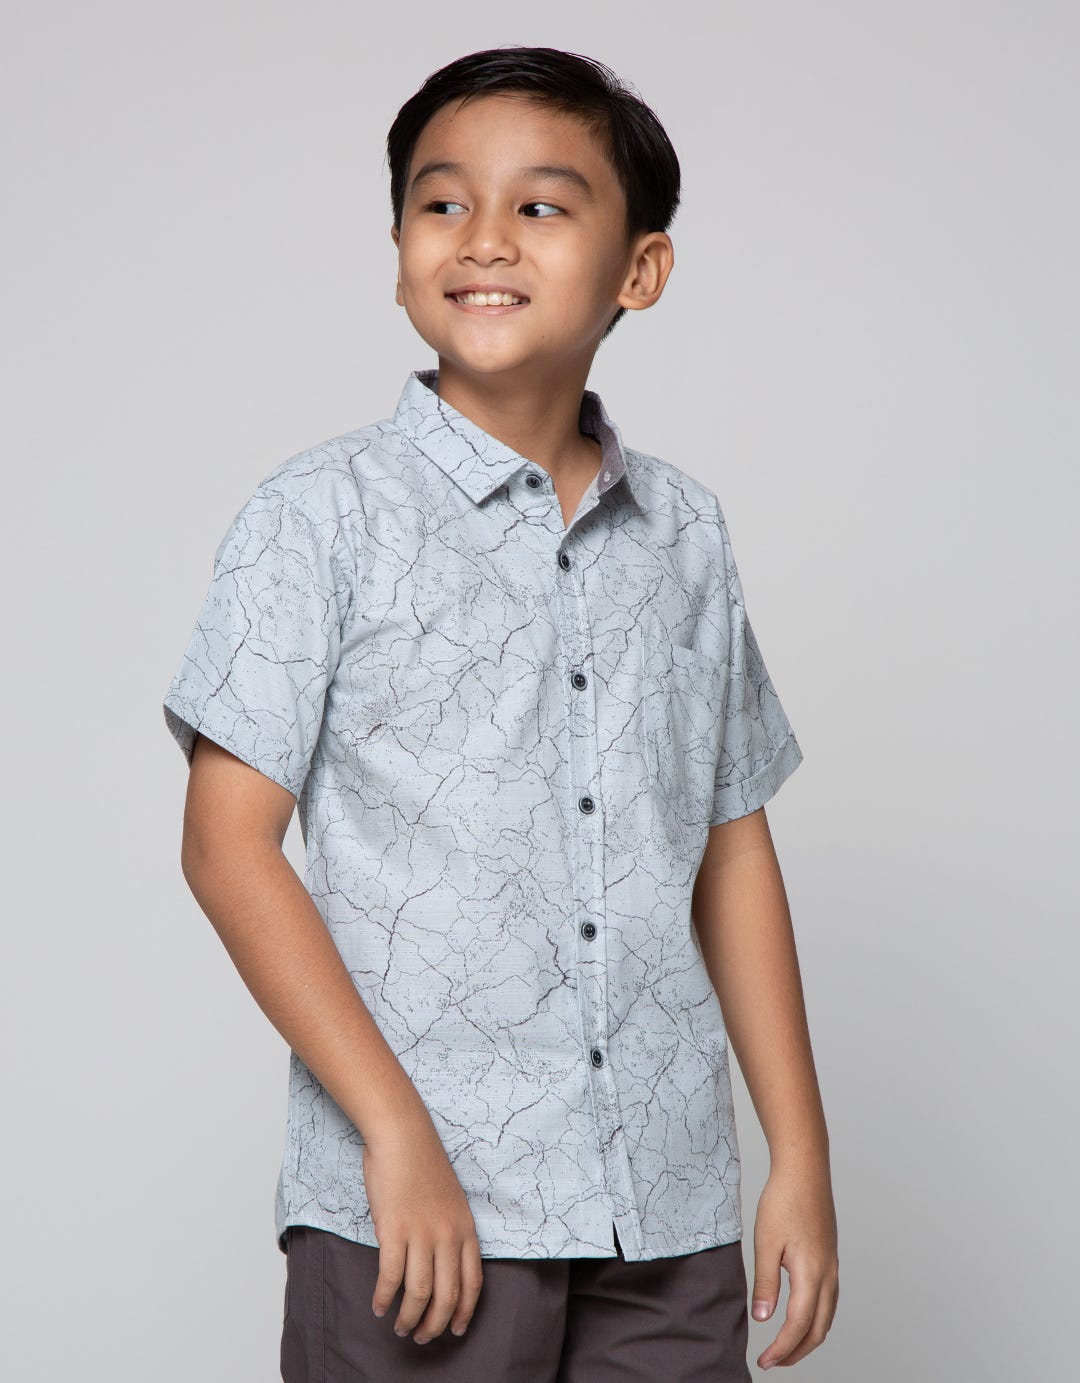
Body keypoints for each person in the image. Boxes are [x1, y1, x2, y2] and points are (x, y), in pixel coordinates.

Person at [163, 45, 838, 1382]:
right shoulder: (319, 516)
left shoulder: (688, 534)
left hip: (666, 1209)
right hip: (421, 1213)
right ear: (399, 249)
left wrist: (800, 1156)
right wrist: (394, 1134)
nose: (482, 237)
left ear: (640, 268)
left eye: (539, 204)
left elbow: (730, 846)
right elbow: (226, 846)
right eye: (441, 201)